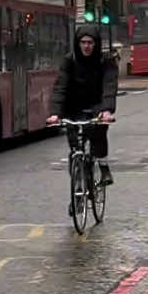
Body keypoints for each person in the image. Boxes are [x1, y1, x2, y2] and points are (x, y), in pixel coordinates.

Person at [48, 25, 118, 184]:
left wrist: (107, 110)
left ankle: (103, 167)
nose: (86, 46)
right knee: (75, 145)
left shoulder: (106, 61)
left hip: (97, 106)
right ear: (77, 43)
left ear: (96, 44)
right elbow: (60, 87)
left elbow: (109, 86)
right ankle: (78, 184)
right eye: (83, 42)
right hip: (74, 107)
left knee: (98, 133)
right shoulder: (69, 61)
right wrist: (55, 114)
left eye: (90, 42)